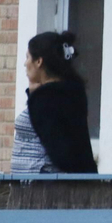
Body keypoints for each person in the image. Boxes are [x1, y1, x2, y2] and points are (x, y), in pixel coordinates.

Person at [12, 30, 97, 174]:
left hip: (43, 185)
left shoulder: (46, 99)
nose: (25, 63)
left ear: (39, 62)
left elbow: (59, 149)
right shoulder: (69, 91)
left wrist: (35, 96)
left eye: (28, 57)